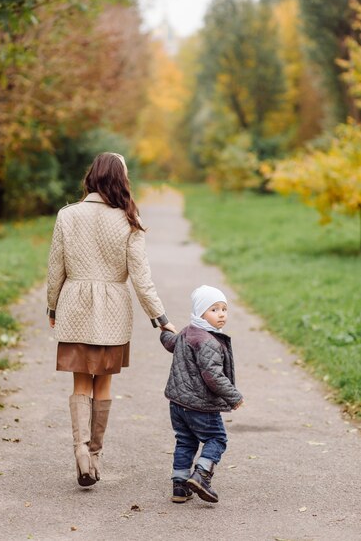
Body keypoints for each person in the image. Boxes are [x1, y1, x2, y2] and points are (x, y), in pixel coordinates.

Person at [47, 152, 176, 488]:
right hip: (112, 313)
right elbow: (141, 278)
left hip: (74, 306)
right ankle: (95, 455)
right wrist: (160, 318)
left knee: (79, 384)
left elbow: (54, 268)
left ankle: (79, 453)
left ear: (93, 176)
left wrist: (52, 306)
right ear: (119, 179)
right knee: (102, 383)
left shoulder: (67, 215)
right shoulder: (128, 219)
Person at [160, 284, 243, 504]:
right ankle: (202, 475)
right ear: (200, 313)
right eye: (213, 309)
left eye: (224, 309)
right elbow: (212, 375)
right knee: (216, 438)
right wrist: (233, 396)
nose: (221, 314)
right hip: (200, 406)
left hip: (177, 403)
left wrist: (163, 330)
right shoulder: (208, 341)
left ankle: (180, 485)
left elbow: (171, 342)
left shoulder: (188, 332)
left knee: (185, 441)